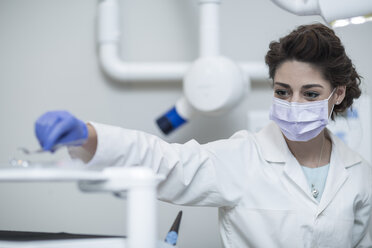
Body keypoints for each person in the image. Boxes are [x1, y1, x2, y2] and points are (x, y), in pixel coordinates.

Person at [34, 23, 372, 247]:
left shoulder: (358, 175)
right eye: (283, 92)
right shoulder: (244, 157)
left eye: (310, 94)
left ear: (338, 94)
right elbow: (167, 162)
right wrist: (88, 136)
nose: (293, 104)